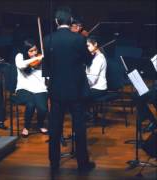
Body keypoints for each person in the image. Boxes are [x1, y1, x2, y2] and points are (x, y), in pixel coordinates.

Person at [43, 7, 95, 172]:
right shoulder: (78, 39)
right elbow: (88, 62)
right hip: (76, 89)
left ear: (57, 21)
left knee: (55, 127)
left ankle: (54, 162)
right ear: (70, 21)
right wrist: (90, 54)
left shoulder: (48, 39)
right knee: (79, 127)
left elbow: (46, 68)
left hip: (56, 90)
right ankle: (82, 163)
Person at [14, 38, 48, 137]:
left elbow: (47, 74)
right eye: (31, 51)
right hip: (24, 88)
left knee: (43, 109)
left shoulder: (41, 58)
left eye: (35, 50)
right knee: (31, 104)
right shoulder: (20, 56)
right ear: (25, 51)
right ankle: (26, 127)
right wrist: (36, 58)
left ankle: (40, 124)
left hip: (39, 88)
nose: (34, 53)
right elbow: (20, 65)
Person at [85, 36, 108, 100]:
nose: (86, 48)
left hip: (98, 89)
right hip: (92, 87)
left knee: (77, 96)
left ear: (95, 44)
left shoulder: (99, 58)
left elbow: (92, 80)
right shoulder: (93, 57)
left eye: (88, 46)